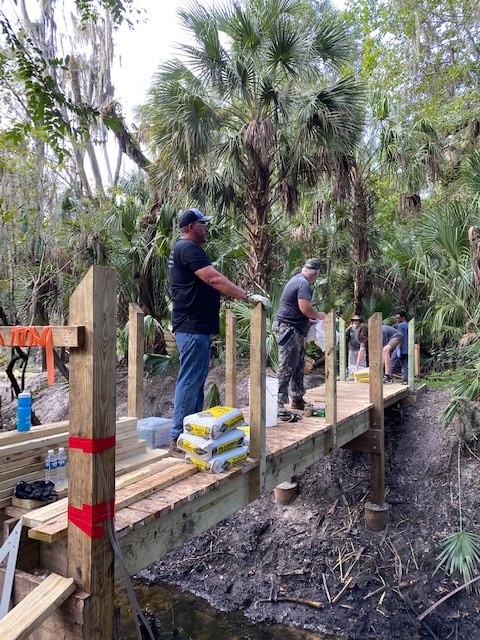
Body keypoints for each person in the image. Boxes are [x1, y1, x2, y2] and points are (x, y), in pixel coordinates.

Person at [168, 208, 270, 451]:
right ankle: (177, 435)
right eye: (203, 224)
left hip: (195, 327)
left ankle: (191, 431)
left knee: (196, 380)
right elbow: (214, 279)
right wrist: (247, 296)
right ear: (191, 226)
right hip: (192, 326)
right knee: (190, 379)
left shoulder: (182, 249)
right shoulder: (188, 249)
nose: (206, 228)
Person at [273, 259, 326, 410]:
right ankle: (278, 402)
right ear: (316, 273)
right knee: (286, 364)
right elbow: (305, 307)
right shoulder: (303, 283)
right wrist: (318, 315)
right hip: (287, 329)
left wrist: (308, 321)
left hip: (294, 329)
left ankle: (297, 398)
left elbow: (299, 310)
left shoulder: (297, 280)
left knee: (298, 364)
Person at [391, 310, 409, 384]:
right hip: (407, 349)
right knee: (405, 364)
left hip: (400, 348)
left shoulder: (400, 326)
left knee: (391, 363)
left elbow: (399, 337)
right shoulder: (408, 325)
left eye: (398, 318)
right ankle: (405, 380)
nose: (397, 320)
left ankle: (388, 377)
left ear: (403, 317)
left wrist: (398, 348)